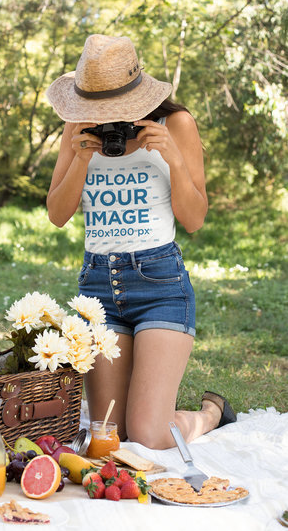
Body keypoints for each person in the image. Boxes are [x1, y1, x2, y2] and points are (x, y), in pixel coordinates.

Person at [46, 34, 236, 449]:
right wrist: (80, 159)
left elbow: (195, 219)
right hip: (97, 288)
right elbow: (58, 214)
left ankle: (209, 413)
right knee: (109, 436)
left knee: (148, 434)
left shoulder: (176, 124)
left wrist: (173, 158)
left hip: (160, 286)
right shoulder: (77, 129)